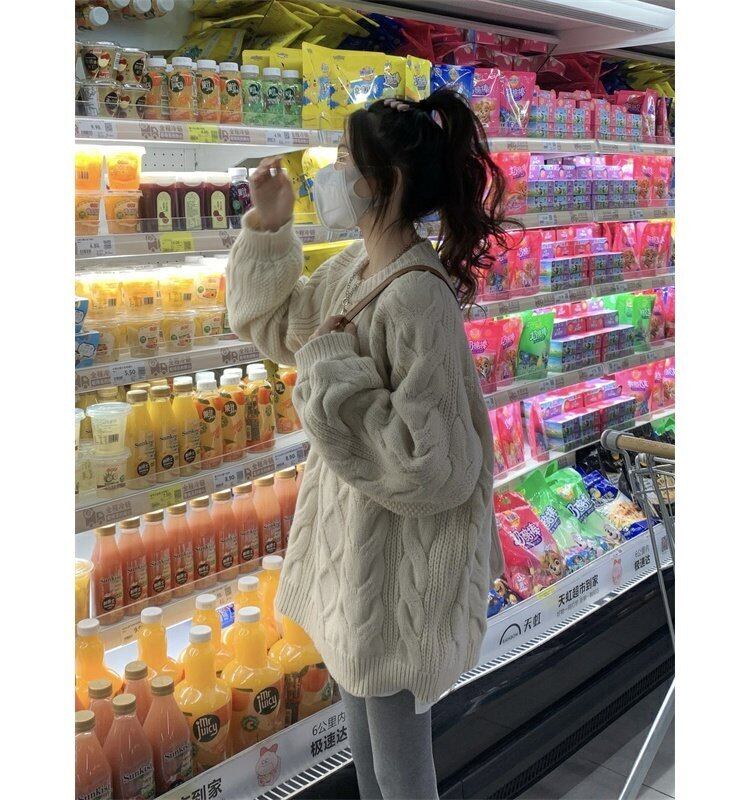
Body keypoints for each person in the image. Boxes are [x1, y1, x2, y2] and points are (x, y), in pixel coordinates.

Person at [227, 89, 508, 800]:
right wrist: (270, 226)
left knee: (399, 774)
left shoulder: (416, 296)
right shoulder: (357, 267)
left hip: (396, 572)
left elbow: (433, 464)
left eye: (343, 160)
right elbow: (278, 329)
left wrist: (334, 376)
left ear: (386, 182)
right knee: (370, 764)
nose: (329, 174)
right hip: (355, 559)